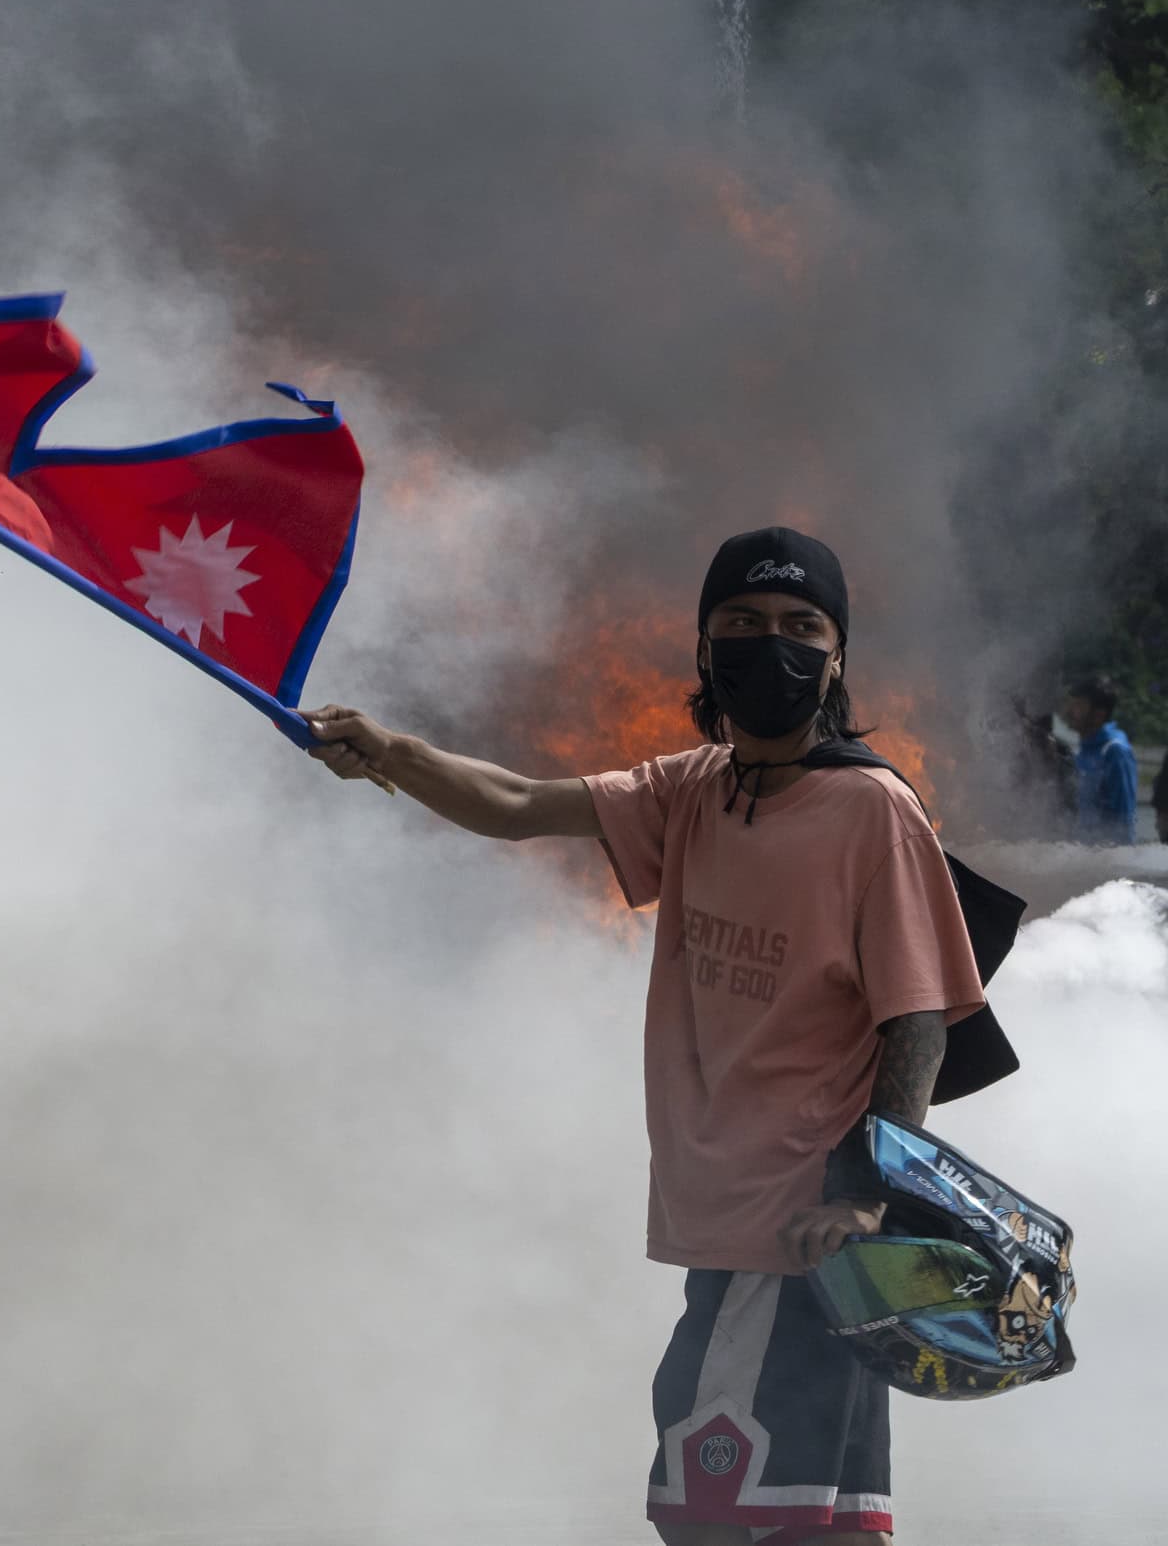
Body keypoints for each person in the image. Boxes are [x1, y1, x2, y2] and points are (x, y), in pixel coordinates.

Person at [303, 528, 987, 1546]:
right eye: (743, 625)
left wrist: (860, 1198)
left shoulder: (871, 809)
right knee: (815, 1530)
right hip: (740, 1231)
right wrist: (393, 753)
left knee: (717, 1516)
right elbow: (521, 804)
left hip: (798, 1235)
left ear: (839, 657)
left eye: (803, 627)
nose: (775, 646)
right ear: (706, 650)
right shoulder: (694, 787)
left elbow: (918, 1016)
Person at [1058, 676, 1139, 845]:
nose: (1070, 710)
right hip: (1084, 854)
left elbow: (1123, 818)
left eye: (1079, 705)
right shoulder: (1083, 750)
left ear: (1098, 715)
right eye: (1071, 703)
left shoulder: (1114, 751)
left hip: (1107, 859)